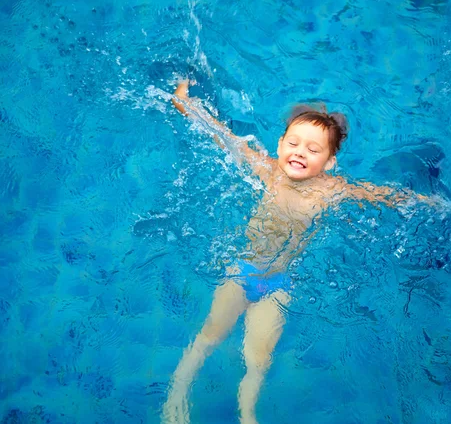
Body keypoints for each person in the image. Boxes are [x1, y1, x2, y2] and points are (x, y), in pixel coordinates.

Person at [162, 80, 431, 424]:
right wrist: (186, 104)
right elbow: (223, 136)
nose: (300, 152)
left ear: (330, 162)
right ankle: (177, 395)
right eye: (293, 143)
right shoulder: (267, 171)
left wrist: (426, 202)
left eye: (313, 149)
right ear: (279, 145)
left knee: (259, 360)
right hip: (242, 271)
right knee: (208, 337)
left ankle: (247, 415)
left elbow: (379, 195)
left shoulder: (333, 190)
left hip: (278, 285)